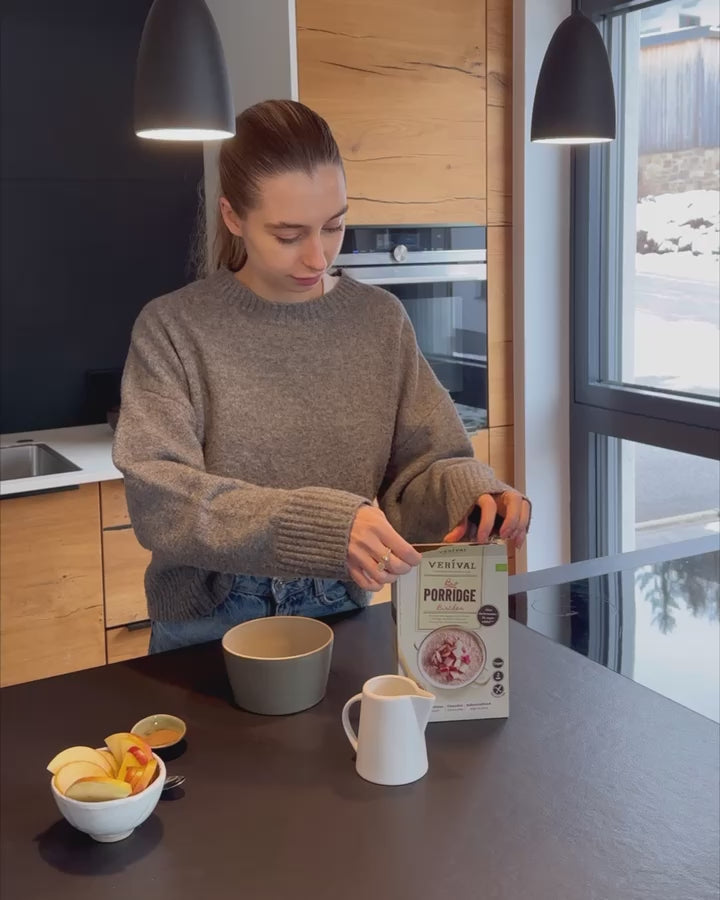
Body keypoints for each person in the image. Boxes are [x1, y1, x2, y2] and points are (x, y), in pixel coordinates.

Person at [113, 99, 531, 654]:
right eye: (289, 235)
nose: (318, 256)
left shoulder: (379, 321)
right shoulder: (172, 327)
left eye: (334, 225)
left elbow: (424, 466)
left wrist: (474, 493)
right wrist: (323, 527)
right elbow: (161, 497)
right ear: (233, 217)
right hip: (207, 625)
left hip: (340, 612)